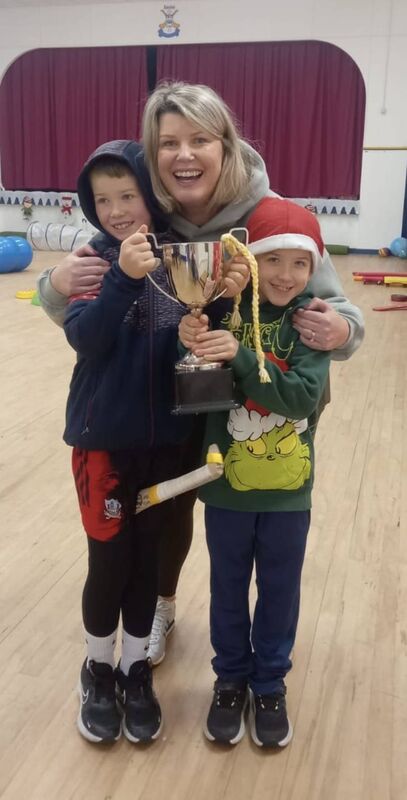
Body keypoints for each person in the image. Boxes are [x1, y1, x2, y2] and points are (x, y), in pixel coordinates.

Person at [38, 81, 364, 667]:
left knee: (218, 514)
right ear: (152, 153)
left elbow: (335, 310)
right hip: (165, 401)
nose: (184, 154)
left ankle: (203, 627)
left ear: (226, 145)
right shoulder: (146, 217)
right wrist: (52, 285)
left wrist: (342, 331)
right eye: (168, 143)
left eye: (199, 139)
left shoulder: (269, 217)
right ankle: (161, 606)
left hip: (259, 406)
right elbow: (80, 298)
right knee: (172, 508)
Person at [61, 139, 227, 745]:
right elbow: (88, 339)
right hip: (104, 444)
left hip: (166, 446)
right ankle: (97, 668)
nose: (116, 209)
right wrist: (123, 280)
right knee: (109, 561)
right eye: (102, 199)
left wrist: (217, 300)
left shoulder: (182, 258)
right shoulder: (92, 263)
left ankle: (135, 670)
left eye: (127, 194)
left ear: (150, 196)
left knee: (146, 560)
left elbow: (201, 335)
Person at [179, 197, 332, 748]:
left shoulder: (313, 325)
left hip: (290, 494)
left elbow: (299, 399)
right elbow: (196, 382)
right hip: (225, 490)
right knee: (225, 589)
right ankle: (230, 682)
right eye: (273, 260)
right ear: (250, 261)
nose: (286, 275)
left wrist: (241, 360)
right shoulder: (224, 313)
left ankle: (269, 685)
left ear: (313, 269)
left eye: (300, 263)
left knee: (279, 592)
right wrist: (193, 344)